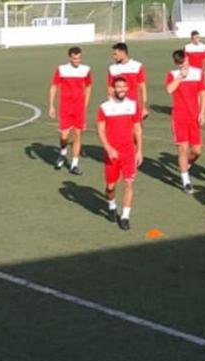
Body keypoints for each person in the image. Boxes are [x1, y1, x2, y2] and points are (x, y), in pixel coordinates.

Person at [97, 77, 144, 231]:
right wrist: (108, 148)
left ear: (127, 88)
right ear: (113, 89)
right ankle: (111, 206)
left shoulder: (133, 105)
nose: (121, 89)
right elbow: (101, 130)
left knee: (129, 183)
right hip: (112, 153)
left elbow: (137, 128)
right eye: (118, 87)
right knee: (111, 187)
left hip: (129, 151)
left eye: (124, 86)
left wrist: (140, 150)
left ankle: (125, 216)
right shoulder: (104, 107)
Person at [165, 49, 205, 194]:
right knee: (182, 149)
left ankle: (185, 166)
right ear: (176, 63)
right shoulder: (173, 74)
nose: (183, 65)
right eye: (180, 63)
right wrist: (180, 77)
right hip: (179, 117)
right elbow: (169, 90)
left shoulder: (198, 73)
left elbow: (202, 93)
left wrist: (202, 112)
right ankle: (186, 181)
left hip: (194, 117)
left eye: (185, 61)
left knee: (197, 150)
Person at [48, 46, 93, 175]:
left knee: (78, 135)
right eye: (74, 58)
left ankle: (74, 164)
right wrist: (51, 106)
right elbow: (54, 87)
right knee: (64, 137)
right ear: (70, 58)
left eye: (79, 58)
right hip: (65, 108)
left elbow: (89, 86)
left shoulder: (86, 70)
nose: (77, 61)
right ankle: (62, 153)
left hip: (79, 109)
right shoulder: (62, 69)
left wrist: (85, 104)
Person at [107, 42, 146, 116]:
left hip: (134, 105)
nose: (114, 57)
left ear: (122, 52)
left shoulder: (137, 66)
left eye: (115, 54)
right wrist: (110, 105)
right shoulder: (112, 68)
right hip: (118, 106)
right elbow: (110, 89)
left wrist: (143, 107)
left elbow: (142, 88)